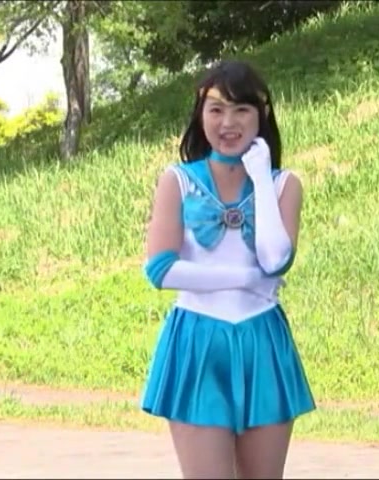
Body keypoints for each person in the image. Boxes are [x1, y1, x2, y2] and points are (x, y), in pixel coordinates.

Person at [140, 59, 316, 479]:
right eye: (216, 109)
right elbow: (161, 269)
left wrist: (260, 175)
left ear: (262, 113)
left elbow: (276, 259)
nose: (228, 122)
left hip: (262, 339)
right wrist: (244, 278)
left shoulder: (284, 184)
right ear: (200, 114)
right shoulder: (177, 180)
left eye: (241, 110)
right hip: (197, 339)